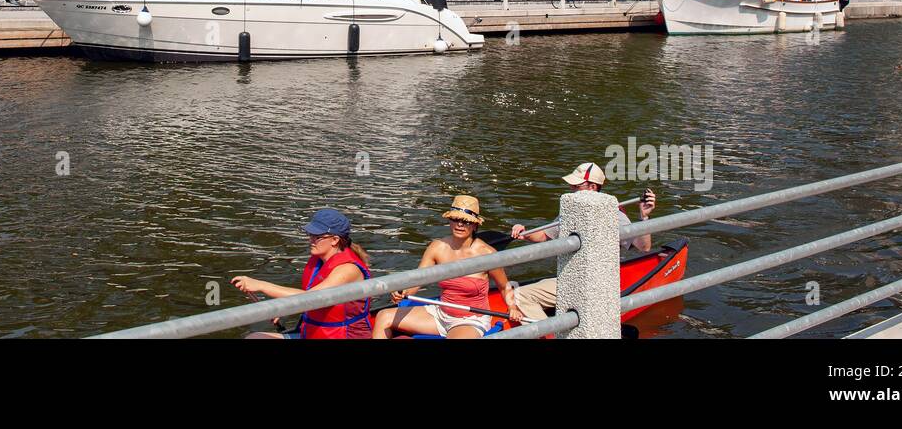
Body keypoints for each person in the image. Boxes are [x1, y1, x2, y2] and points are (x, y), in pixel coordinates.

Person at [508, 163, 656, 322]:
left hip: (594, 284)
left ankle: (549, 332)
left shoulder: (613, 214)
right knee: (540, 283)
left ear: (592, 187)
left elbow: (644, 247)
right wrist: (525, 233)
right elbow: (545, 235)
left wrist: (644, 217)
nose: (571, 189)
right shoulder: (572, 208)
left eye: (576, 186)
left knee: (519, 295)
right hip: (573, 279)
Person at [372, 195, 522, 339]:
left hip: (469, 320)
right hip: (440, 313)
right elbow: (418, 279)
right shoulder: (437, 247)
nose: (460, 224)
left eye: (466, 221)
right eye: (455, 219)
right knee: (383, 317)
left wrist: (512, 307)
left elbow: (504, 287)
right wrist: (402, 292)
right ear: (449, 221)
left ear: (475, 225)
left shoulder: (488, 253)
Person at [231, 208, 372, 339]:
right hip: (313, 333)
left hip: (340, 336)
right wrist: (282, 308)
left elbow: (311, 298)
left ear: (335, 240)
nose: (310, 240)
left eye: (317, 236)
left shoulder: (347, 270)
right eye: (310, 234)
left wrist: (261, 285)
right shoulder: (319, 261)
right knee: (254, 337)